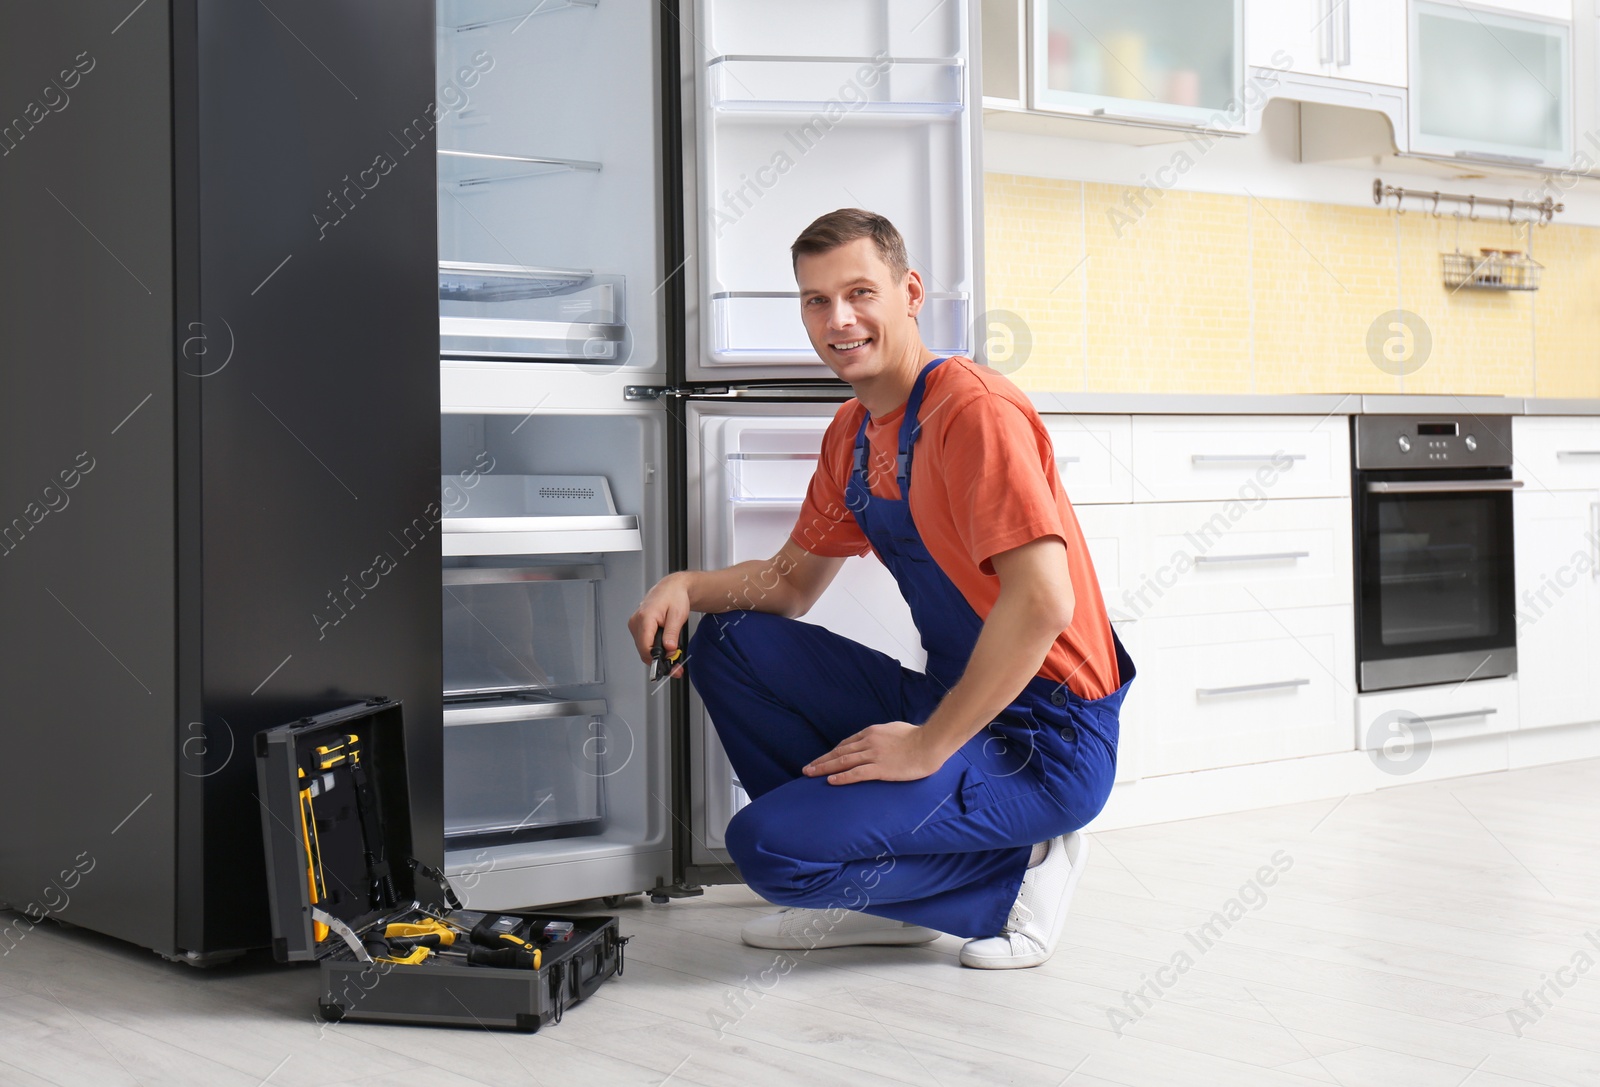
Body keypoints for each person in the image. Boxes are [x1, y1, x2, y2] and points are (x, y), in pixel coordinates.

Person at [628, 208, 1134, 969]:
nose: (839, 319)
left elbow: (1042, 602)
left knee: (766, 851)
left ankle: (1022, 871)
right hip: (952, 699)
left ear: (910, 292)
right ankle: (885, 899)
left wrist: (929, 744)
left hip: (1046, 742)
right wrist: (685, 585)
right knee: (730, 640)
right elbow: (791, 584)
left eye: (860, 291)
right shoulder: (855, 433)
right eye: (815, 300)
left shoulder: (973, 412)